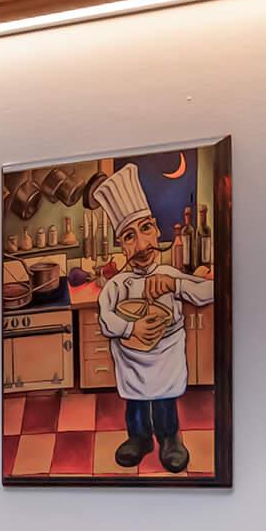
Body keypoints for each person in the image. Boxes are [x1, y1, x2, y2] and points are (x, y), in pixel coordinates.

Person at [87, 162, 213, 472]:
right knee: (137, 403)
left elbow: (209, 291)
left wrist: (176, 283)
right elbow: (106, 318)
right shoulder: (116, 285)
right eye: (130, 236)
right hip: (133, 362)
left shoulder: (170, 274)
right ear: (121, 244)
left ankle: (170, 439)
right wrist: (131, 326)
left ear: (156, 228)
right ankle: (140, 438)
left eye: (145, 229)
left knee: (165, 402)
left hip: (166, 359)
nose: (142, 244)